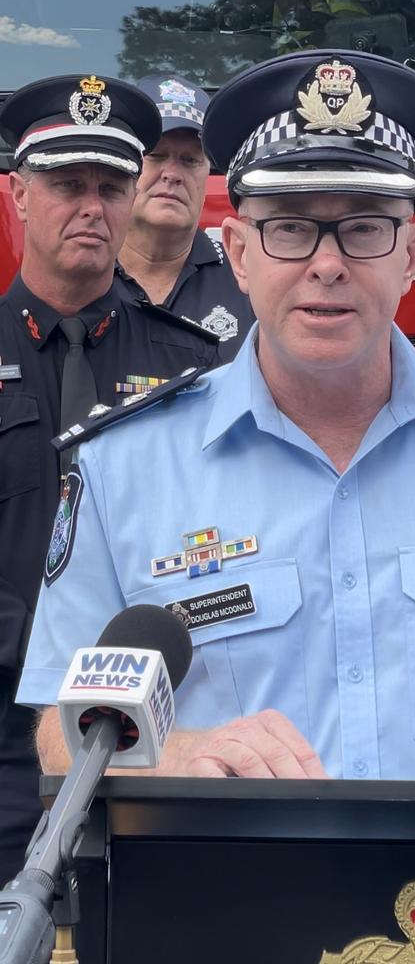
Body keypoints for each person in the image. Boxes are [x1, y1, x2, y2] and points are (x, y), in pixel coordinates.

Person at [18, 50, 415, 785]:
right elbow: (61, 734)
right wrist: (181, 753)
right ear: (240, 255)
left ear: (413, 254)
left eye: (363, 229)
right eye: (290, 228)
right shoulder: (124, 467)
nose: (327, 264)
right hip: (229, 895)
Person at [0, 73, 220, 885]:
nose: (91, 206)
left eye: (110, 186)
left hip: (148, 741)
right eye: (66, 185)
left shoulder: (196, 368)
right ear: (19, 194)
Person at [116, 73, 256, 359]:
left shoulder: (249, 280)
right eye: (155, 155)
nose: (173, 174)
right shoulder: (84, 270)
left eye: (190, 160)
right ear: (125, 165)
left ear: (208, 173)